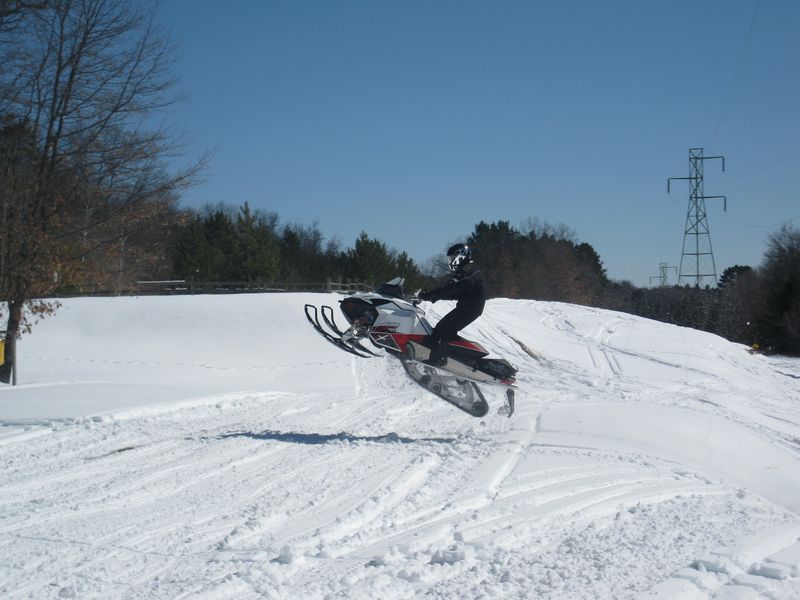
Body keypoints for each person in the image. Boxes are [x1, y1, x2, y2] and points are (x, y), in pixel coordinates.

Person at [417, 243, 485, 366]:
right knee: (447, 331)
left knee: (443, 329)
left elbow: (450, 289)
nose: (450, 261)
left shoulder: (466, 271)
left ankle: (437, 361)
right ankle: (458, 359)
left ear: (460, 256)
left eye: (452, 258)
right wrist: (434, 297)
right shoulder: (468, 269)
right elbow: (456, 292)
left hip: (470, 308)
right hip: (471, 307)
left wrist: (428, 295)